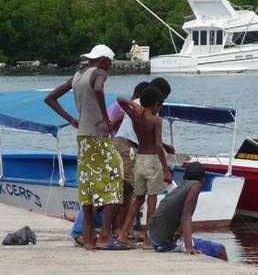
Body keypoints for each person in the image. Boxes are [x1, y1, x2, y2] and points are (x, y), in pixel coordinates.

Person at [44, 44, 141, 250]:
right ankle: (105, 235)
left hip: (83, 138)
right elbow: (98, 88)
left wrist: (72, 119)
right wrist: (106, 118)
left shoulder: (77, 75)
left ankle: (89, 239)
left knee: (87, 187)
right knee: (117, 182)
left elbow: (50, 98)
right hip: (98, 137)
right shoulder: (99, 72)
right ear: (104, 60)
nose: (109, 68)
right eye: (110, 64)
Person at [117, 86, 173, 249]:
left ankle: (122, 235)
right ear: (156, 104)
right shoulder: (156, 120)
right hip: (153, 162)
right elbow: (157, 145)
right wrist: (165, 169)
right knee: (152, 200)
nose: (159, 109)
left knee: (138, 199)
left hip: (139, 160)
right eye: (159, 106)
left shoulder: (136, 116)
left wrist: (133, 104)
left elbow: (120, 100)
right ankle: (148, 239)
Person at [148, 162, 228, 261]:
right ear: (203, 179)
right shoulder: (196, 186)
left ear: (184, 176)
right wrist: (189, 247)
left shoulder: (181, 187)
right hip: (163, 243)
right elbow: (186, 216)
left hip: (154, 239)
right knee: (220, 250)